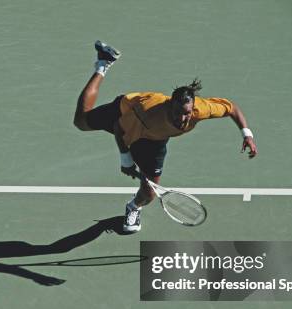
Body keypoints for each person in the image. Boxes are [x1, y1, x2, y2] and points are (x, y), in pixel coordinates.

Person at [73, 40, 259, 233]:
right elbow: (119, 128)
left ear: (193, 107)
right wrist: (126, 158)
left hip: (154, 139)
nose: (182, 118)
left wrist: (247, 134)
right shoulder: (149, 112)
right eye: (178, 112)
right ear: (170, 105)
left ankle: (133, 207)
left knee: (149, 192)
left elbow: (231, 108)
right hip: (125, 114)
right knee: (81, 122)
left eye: (187, 112)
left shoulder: (201, 109)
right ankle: (103, 64)